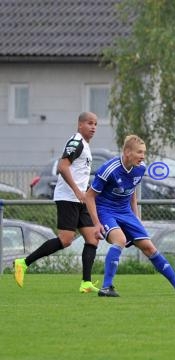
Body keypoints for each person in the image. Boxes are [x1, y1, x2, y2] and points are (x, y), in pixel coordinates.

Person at [84, 135, 175, 297]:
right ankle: (107, 287)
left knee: (149, 248)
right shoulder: (109, 169)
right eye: (139, 152)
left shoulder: (140, 168)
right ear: (127, 152)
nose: (143, 156)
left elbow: (131, 192)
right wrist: (96, 223)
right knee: (119, 240)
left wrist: (137, 218)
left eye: (144, 152)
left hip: (125, 212)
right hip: (105, 211)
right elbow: (89, 196)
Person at [13, 112, 101, 293]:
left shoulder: (84, 145)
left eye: (95, 124)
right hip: (68, 197)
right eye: (89, 123)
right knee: (65, 240)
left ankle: (85, 283)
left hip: (79, 199)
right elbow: (62, 167)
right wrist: (77, 191)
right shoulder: (76, 142)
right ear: (80, 125)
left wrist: (82, 193)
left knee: (92, 238)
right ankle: (23, 263)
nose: (93, 127)